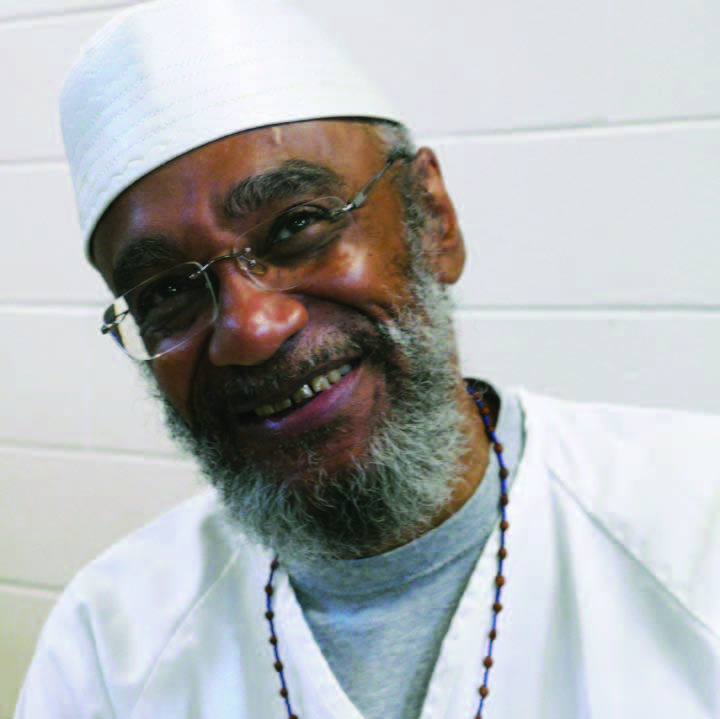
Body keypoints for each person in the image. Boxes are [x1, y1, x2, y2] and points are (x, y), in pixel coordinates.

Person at [15, 1, 720, 718]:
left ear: (432, 218)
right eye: (166, 291)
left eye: (296, 225)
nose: (251, 328)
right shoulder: (109, 645)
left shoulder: (694, 523)